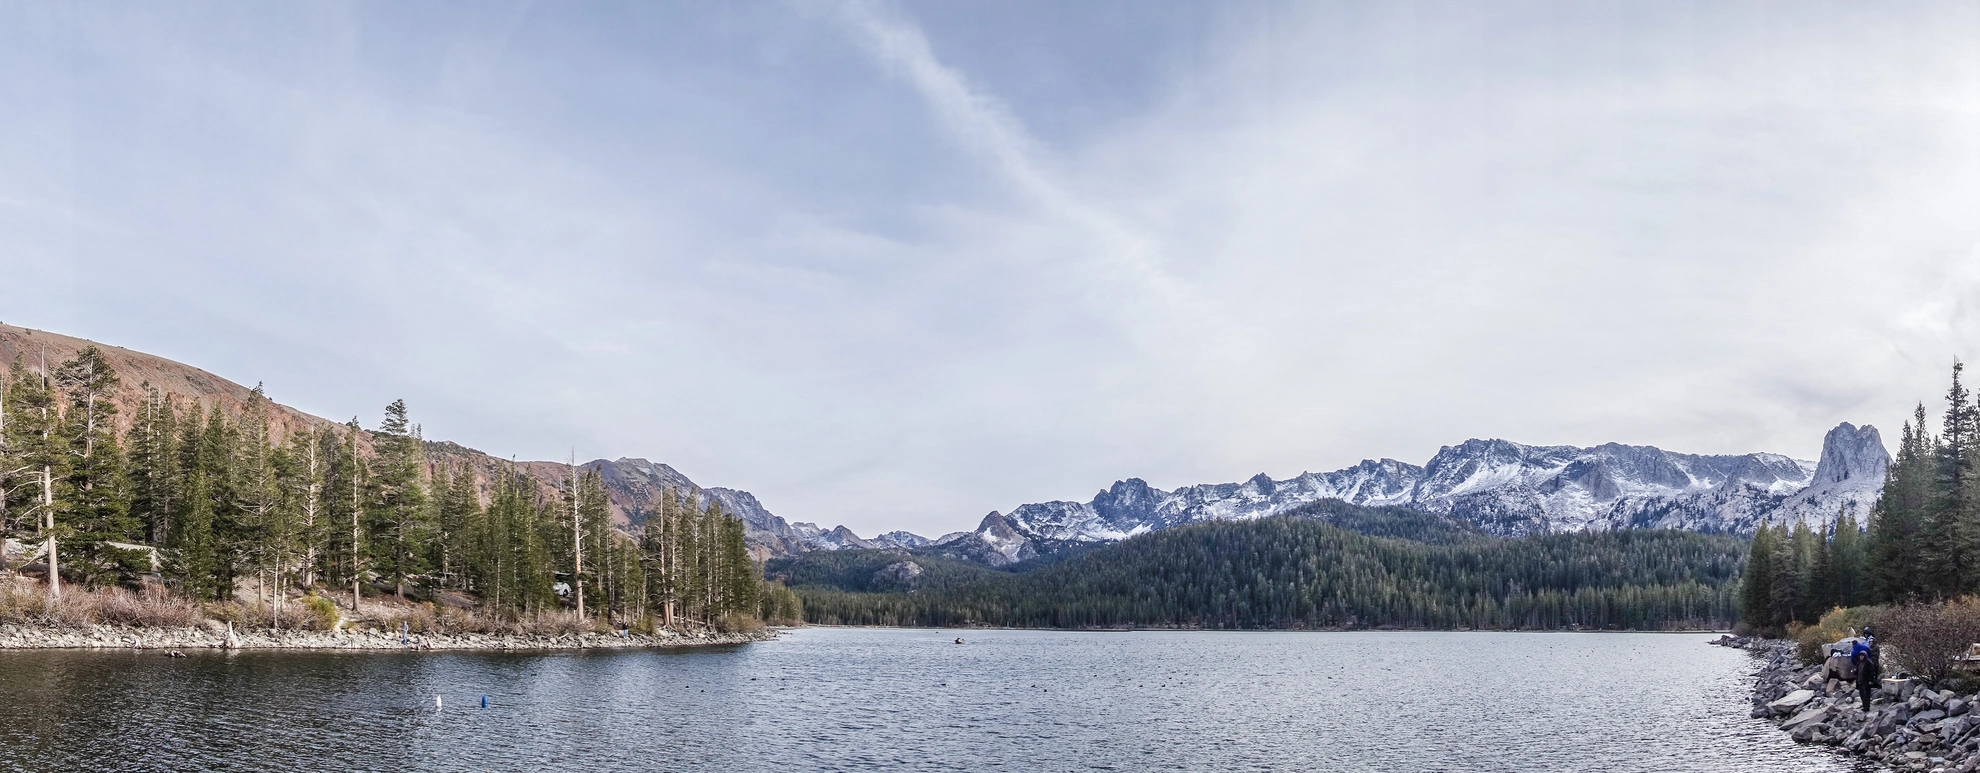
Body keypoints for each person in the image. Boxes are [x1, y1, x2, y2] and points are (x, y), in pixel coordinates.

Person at [1852, 627, 1880, 710]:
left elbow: (1872, 672)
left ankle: (1866, 707)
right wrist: (1854, 671)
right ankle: (1864, 706)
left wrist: (1871, 680)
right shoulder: (1859, 663)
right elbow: (1857, 671)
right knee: (1862, 694)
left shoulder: (1868, 663)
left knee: (1866, 694)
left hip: (1866, 681)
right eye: (1860, 655)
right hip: (1860, 681)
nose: (1861, 657)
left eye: (1862, 655)